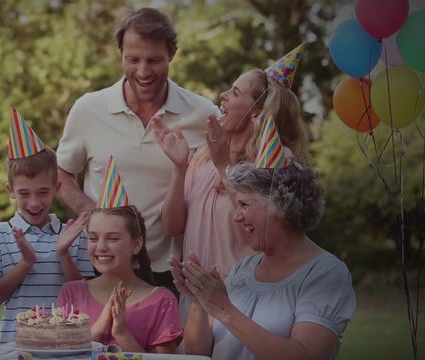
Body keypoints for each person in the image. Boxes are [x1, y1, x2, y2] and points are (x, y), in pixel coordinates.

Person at [56, 7, 219, 291]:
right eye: (132, 59)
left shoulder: (202, 114)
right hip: (99, 267)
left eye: (154, 60)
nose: (143, 71)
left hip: (170, 272)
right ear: (120, 54)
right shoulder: (88, 109)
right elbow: (59, 174)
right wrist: (94, 212)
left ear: (172, 54)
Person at [153, 44, 312, 280]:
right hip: (196, 296)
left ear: (256, 112)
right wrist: (180, 166)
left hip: (244, 296)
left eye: (235, 93)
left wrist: (223, 166)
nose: (222, 95)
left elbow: (270, 229)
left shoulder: (278, 161)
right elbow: (172, 227)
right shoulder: (203, 156)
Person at [170, 162, 357, 359]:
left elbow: (307, 355)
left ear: (279, 206)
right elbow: (197, 352)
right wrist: (200, 301)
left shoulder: (325, 273)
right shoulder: (244, 268)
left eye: (244, 205)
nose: (236, 217)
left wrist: (224, 309)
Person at [0, 108, 94, 344]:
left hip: (66, 345)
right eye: (24, 193)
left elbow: (85, 299)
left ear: (57, 187)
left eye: (42, 192)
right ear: (10, 191)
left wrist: (63, 253)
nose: (33, 203)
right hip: (15, 345)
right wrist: (26, 263)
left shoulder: (75, 235)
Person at [57, 205, 182, 353]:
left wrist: (122, 334)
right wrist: (96, 331)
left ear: (136, 245)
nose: (101, 246)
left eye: (113, 238)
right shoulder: (71, 292)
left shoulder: (162, 300)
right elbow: (57, 352)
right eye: (93, 238)